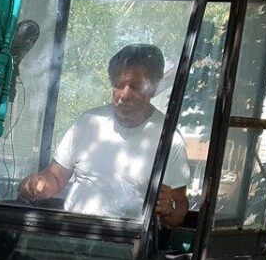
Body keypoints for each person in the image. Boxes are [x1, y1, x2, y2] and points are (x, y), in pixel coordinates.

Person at [18, 44, 191, 227]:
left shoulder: (169, 140)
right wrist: (37, 185)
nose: (124, 95)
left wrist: (168, 209)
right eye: (119, 85)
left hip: (128, 245)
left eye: (135, 87)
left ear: (153, 89)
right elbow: (56, 177)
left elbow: (180, 207)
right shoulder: (88, 122)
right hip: (71, 235)